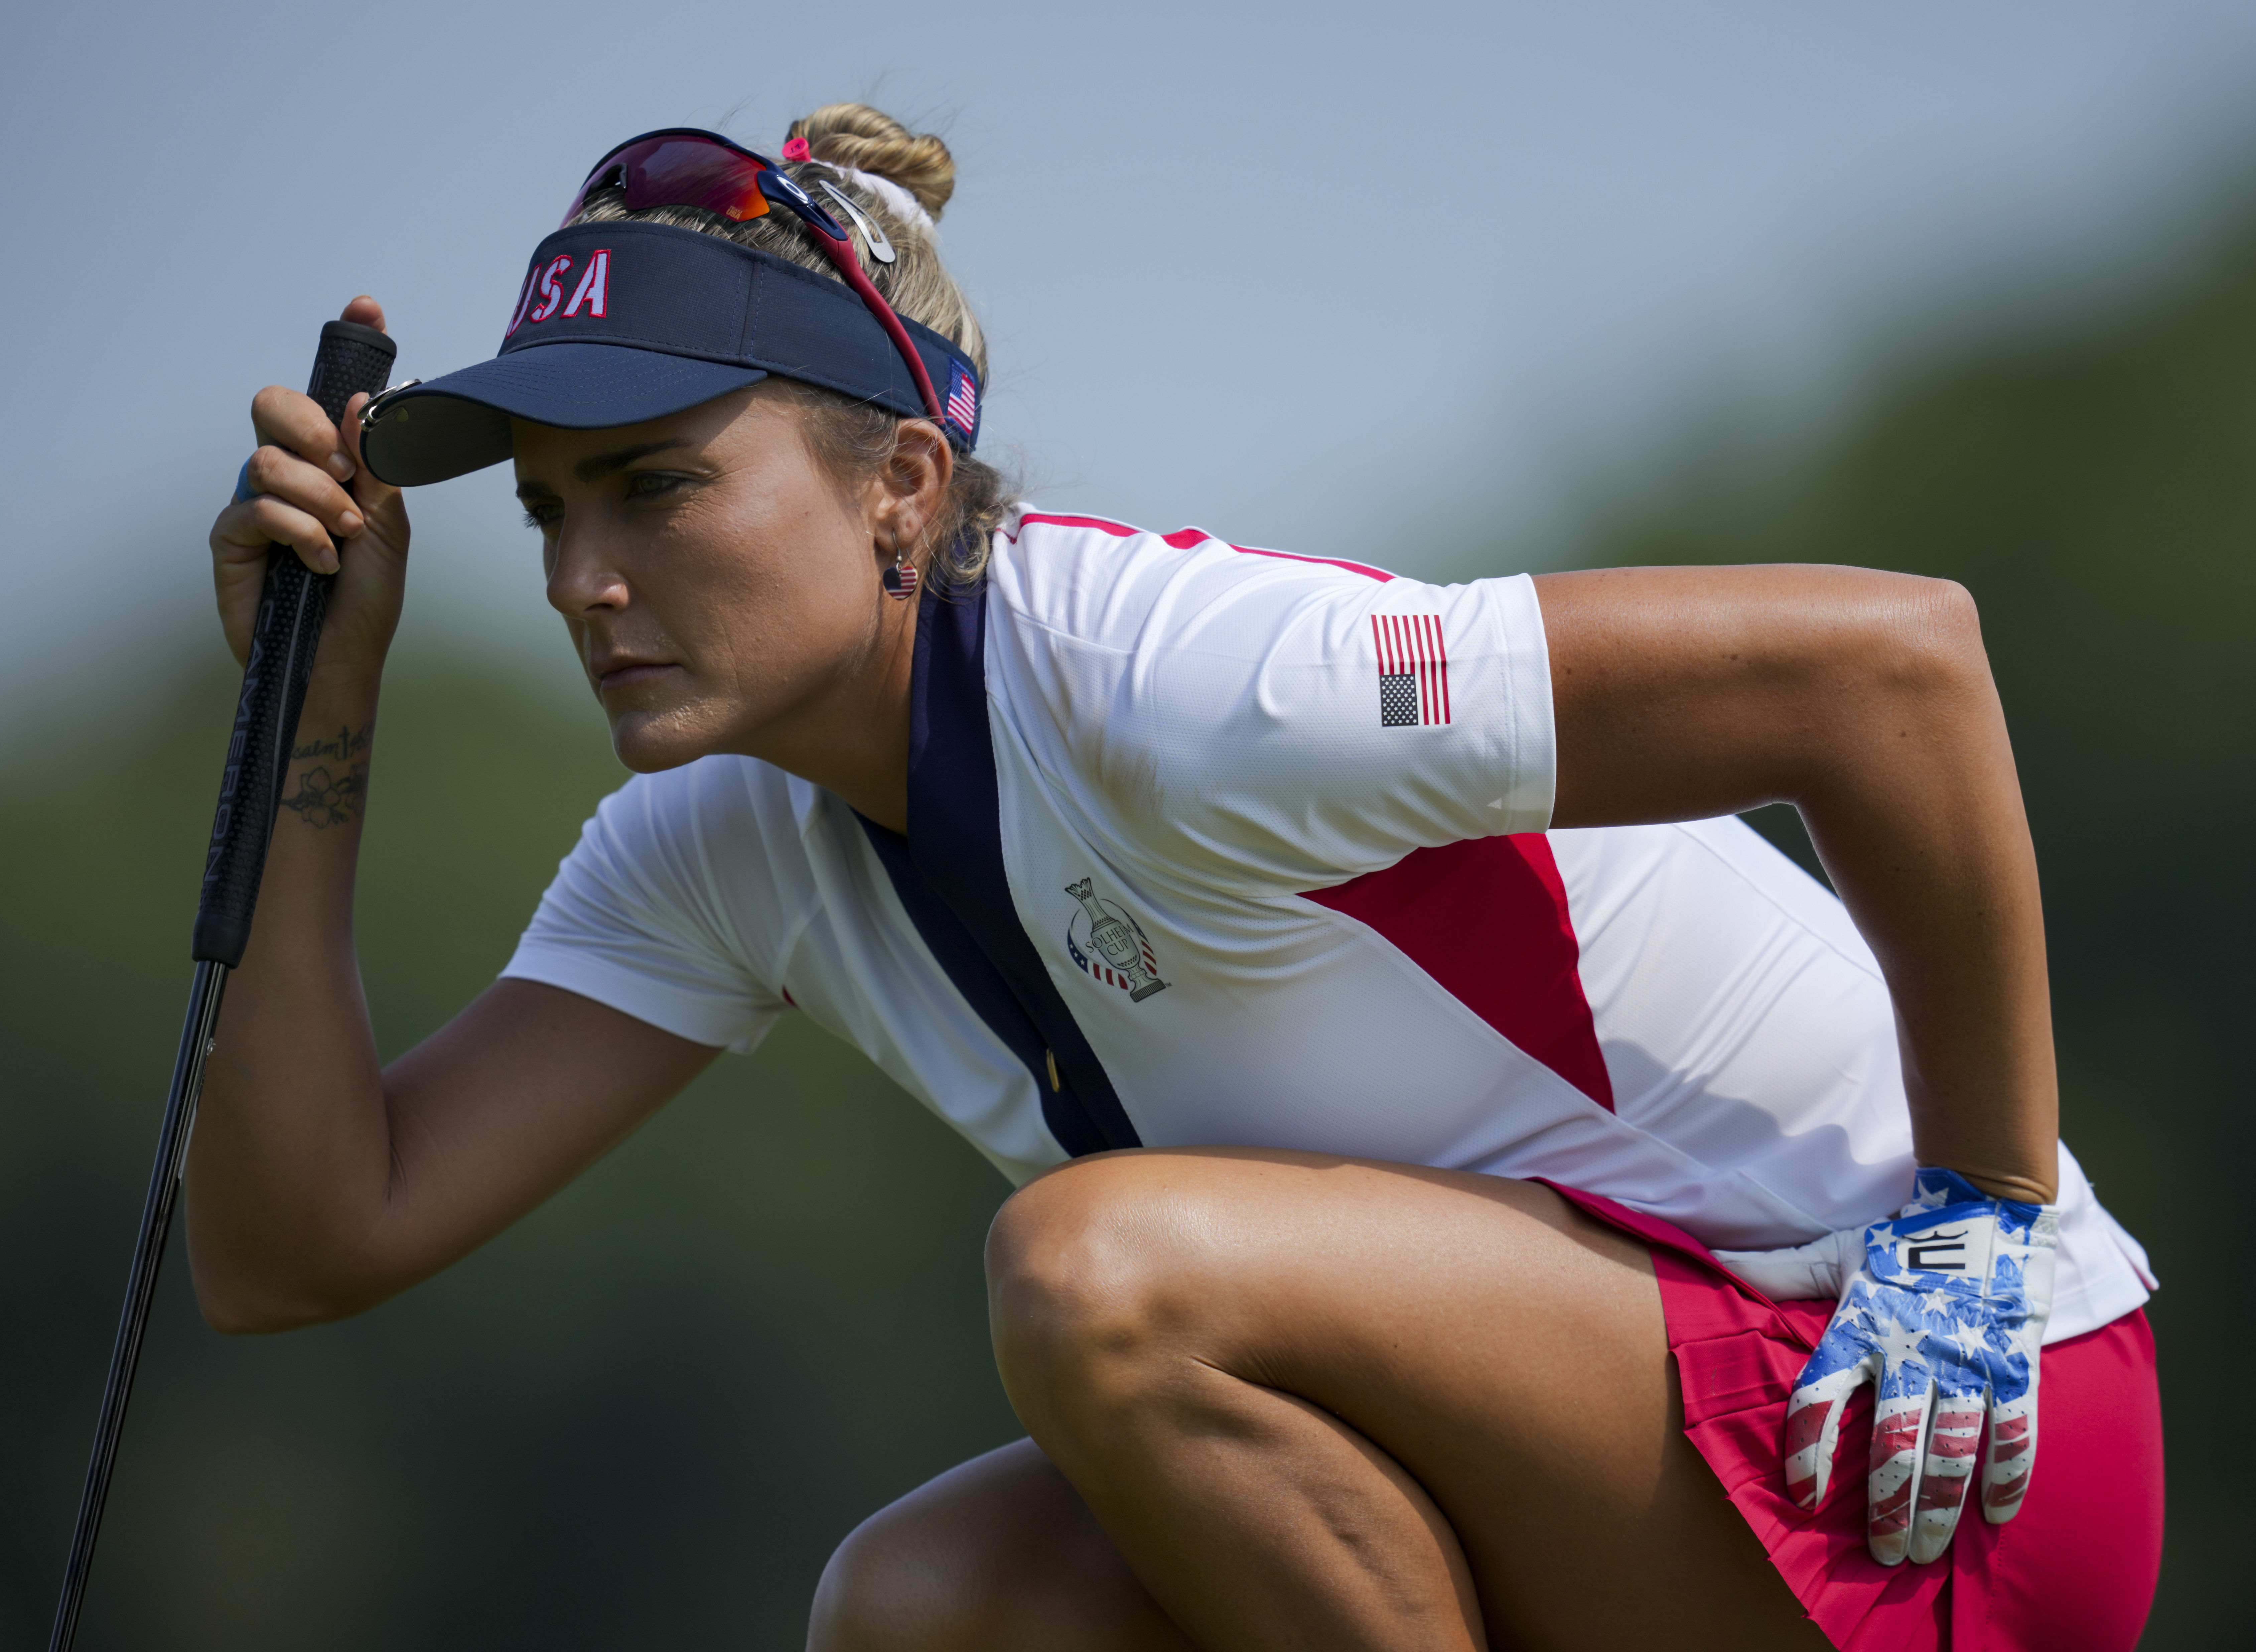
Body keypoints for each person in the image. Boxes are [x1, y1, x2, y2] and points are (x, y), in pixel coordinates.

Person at [197, 104, 2162, 1650]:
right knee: (924, 1610)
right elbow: (298, 1245)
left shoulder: (1173, 680)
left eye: (659, 484)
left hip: (1935, 1428)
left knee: (1094, 1276)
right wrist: (309, 716)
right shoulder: (719, 840)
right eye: (545, 512)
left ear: (899, 488)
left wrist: (1983, 1198)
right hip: (1634, 1469)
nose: (578, 578)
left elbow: (1890, 668)